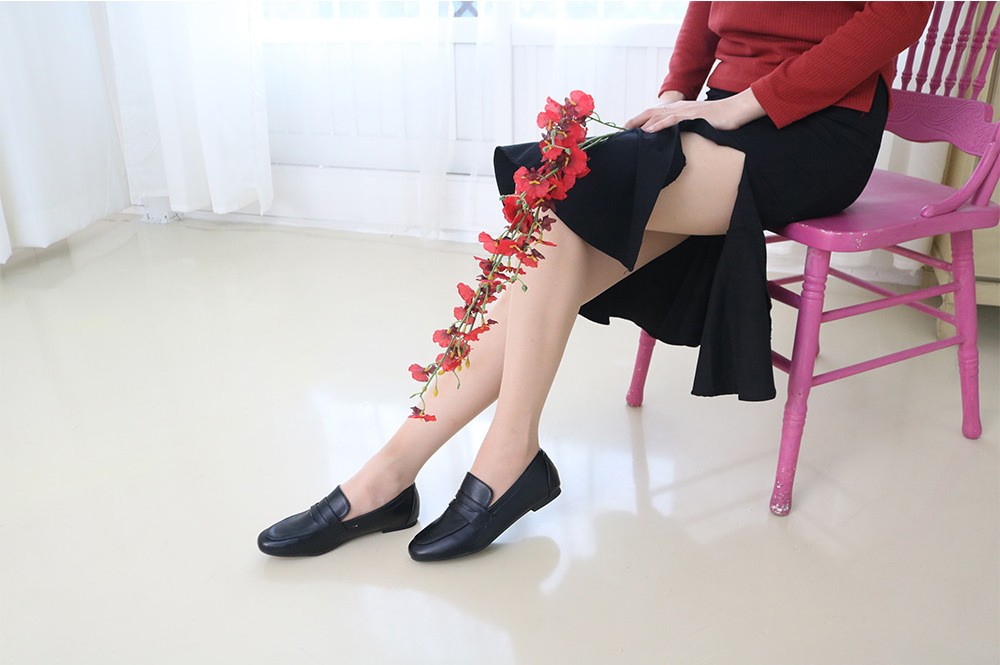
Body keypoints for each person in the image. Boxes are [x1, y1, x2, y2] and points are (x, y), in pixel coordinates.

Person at [258, 2, 934, 561]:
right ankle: (396, 471)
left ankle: (495, 457)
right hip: (720, 112)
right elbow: (704, 11)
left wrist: (746, 105)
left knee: (563, 187)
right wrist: (676, 94)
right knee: (559, 208)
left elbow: (899, 16)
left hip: (816, 126)